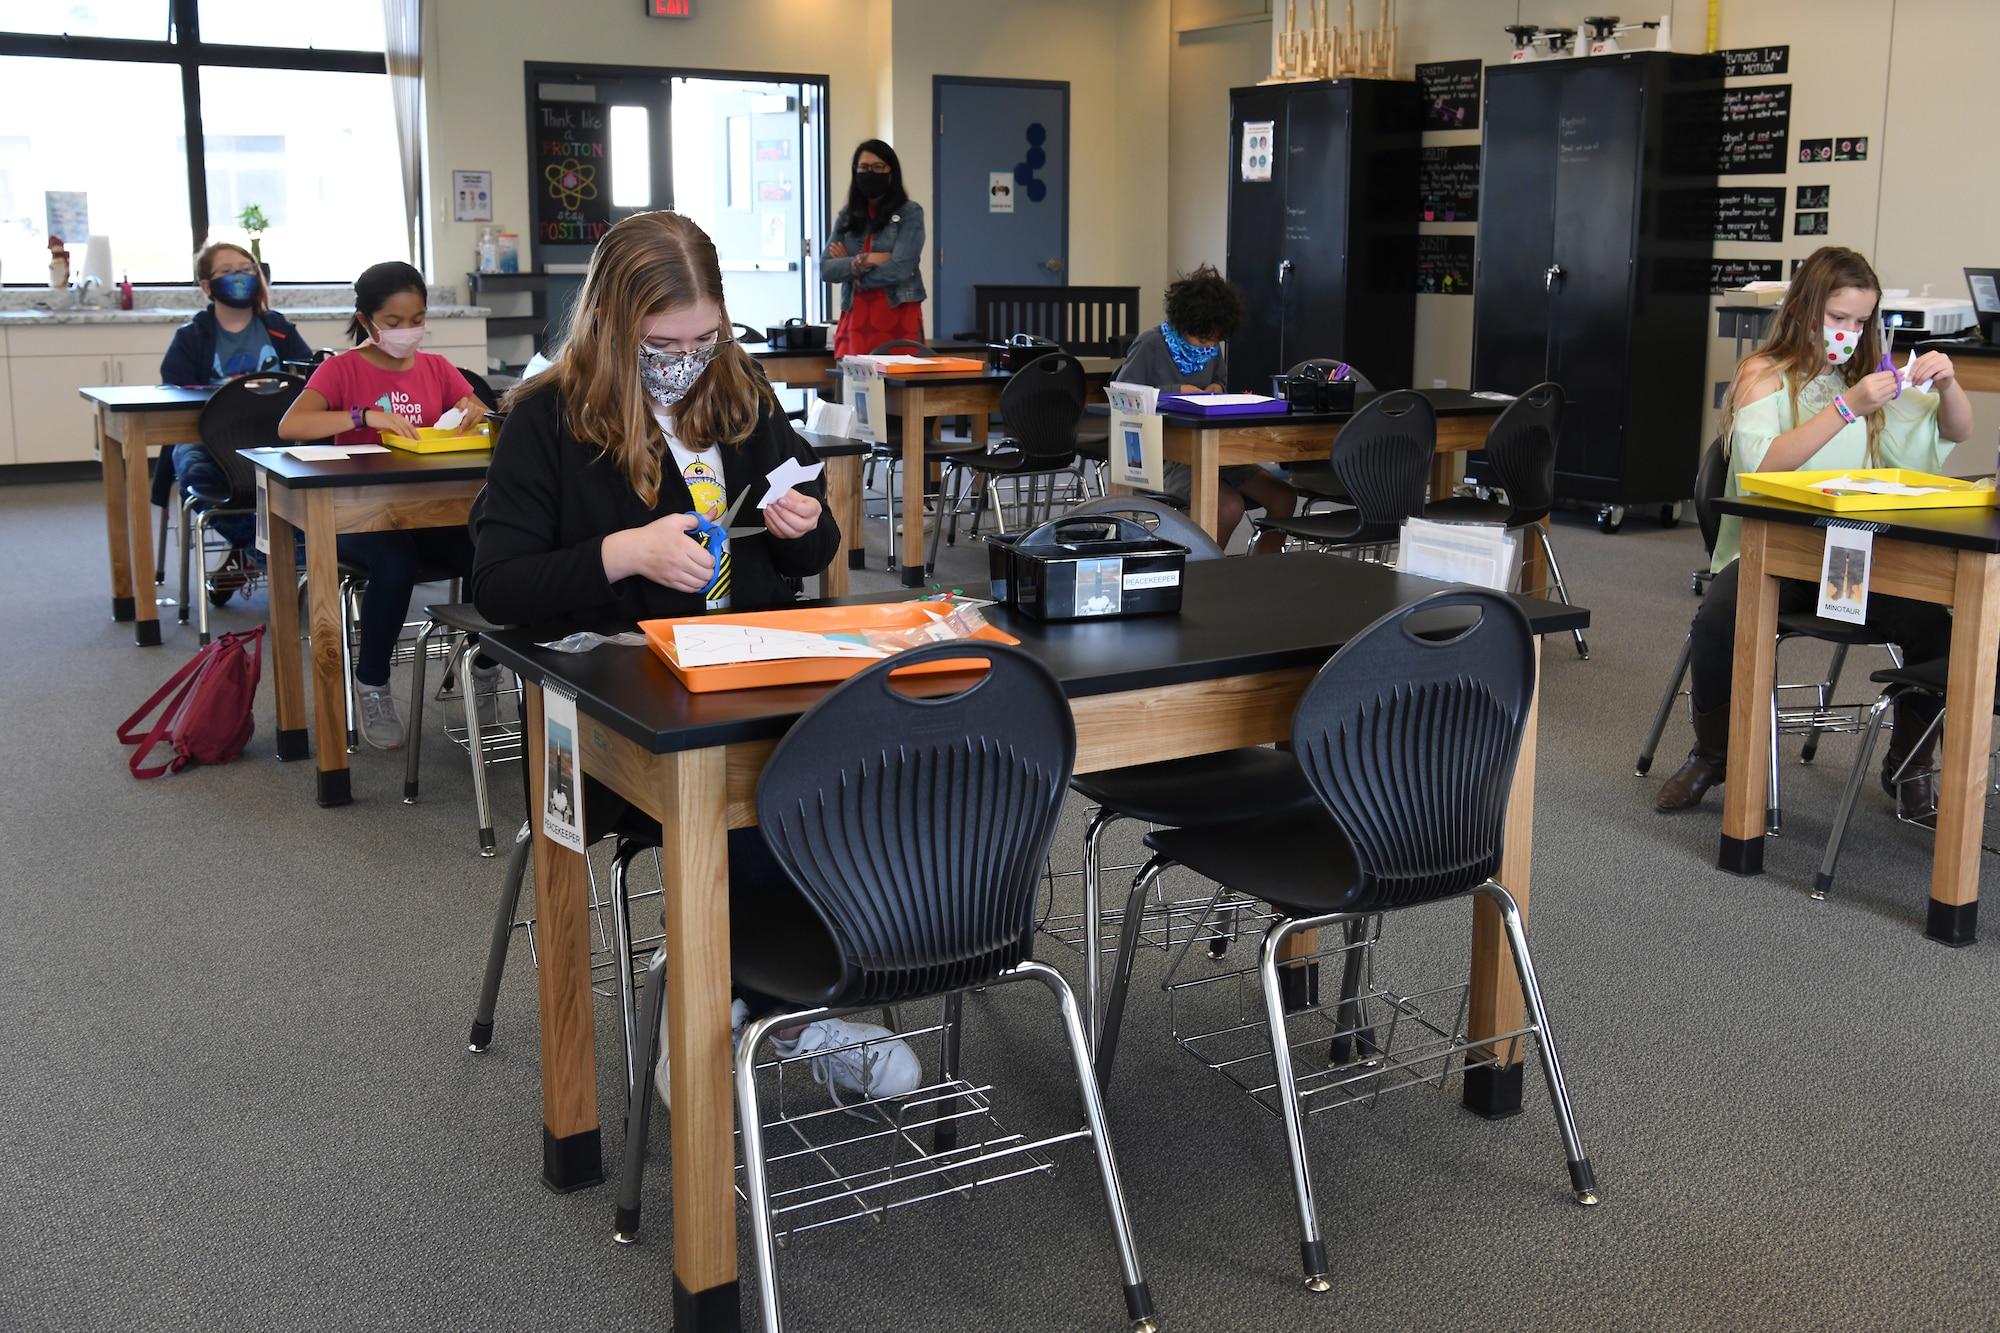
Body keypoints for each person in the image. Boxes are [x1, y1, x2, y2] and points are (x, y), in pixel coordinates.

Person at [469, 210, 921, 1108]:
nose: (687, 357)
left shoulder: (737, 390)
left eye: (706, 336)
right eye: (664, 342)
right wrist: (623, 554)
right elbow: (499, 584)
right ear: (611, 325)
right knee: (760, 804)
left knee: (866, 775)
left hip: (753, 674)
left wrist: (809, 525)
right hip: (619, 709)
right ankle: (749, 1006)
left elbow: (806, 543)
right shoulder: (546, 418)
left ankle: (760, 1000)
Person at [1657, 246, 1973, 817]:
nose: (1850, 332)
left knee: (1937, 629)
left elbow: (1953, 431)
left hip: (1849, 559)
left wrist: (1949, 385)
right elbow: (1762, 467)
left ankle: (1910, 766)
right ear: (1805, 310)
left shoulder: (1868, 377)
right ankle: (1712, 753)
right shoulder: (1764, 375)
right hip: (1772, 556)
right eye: (1838, 318)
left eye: (1861, 321)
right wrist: (1847, 408)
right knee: (1717, 620)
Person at [276, 261, 490, 751]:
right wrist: (365, 416)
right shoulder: (342, 369)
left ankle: (488, 666)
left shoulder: (436, 367)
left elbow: (479, 412)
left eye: (416, 319)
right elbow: (291, 427)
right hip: (357, 515)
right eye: (393, 323)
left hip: (426, 512)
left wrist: (476, 411)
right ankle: (372, 683)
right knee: (395, 562)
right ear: (367, 319)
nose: (407, 331)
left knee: (494, 552)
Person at [1116, 265, 1297, 551]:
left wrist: (1217, 389)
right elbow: (1123, 396)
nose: (1210, 346)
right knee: (1227, 506)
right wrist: (1176, 392)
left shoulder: (1211, 349)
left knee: (1282, 497)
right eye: (1203, 340)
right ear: (1184, 323)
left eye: (1216, 341)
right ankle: (1205, 574)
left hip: (1213, 450)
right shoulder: (1151, 343)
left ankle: (1263, 571)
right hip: (1162, 457)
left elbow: (1218, 379)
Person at [158, 242, 316, 567]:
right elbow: (174, 388)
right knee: (190, 466)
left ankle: (271, 555)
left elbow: (310, 380)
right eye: (227, 272)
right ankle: (266, 551)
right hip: (214, 444)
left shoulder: (279, 328)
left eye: (246, 269)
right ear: (207, 286)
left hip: (278, 440)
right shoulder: (192, 337)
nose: (239, 277)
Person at [821, 140, 926, 357]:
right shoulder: (848, 216)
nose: (871, 173)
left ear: (891, 172)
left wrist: (854, 274)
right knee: (855, 388)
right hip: (855, 319)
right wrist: (866, 260)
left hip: (898, 316)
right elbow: (826, 269)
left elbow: (900, 268)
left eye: (878, 167)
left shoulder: (910, 213)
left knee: (898, 388)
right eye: (864, 168)